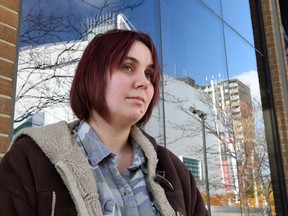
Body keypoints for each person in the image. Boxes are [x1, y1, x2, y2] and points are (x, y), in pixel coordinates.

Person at [0, 29, 208, 216]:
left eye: (149, 74)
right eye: (127, 67)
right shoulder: (30, 159)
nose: (144, 82)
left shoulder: (173, 170)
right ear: (93, 75)